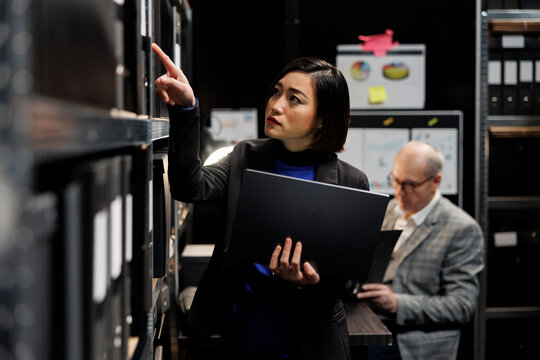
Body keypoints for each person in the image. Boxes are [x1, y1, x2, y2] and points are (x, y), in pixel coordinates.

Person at [152, 42, 369, 360]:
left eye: (294, 99)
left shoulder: (351, 182)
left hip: (310, 344)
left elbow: (348, 282)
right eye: (276, 92)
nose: (276, 105)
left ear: (323, 118)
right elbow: (191, 189)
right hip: (241, 337)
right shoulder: (244, 156)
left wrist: (308, 282)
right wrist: (186, 110)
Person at [356, 141, 484, 360]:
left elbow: (461, 305)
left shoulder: (461, 228)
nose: (399, 191)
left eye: (409, 185)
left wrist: (398, 303)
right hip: (368, 329)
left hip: (414, 344)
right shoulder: (386, 211)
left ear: (435, 182)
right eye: (395, 180)